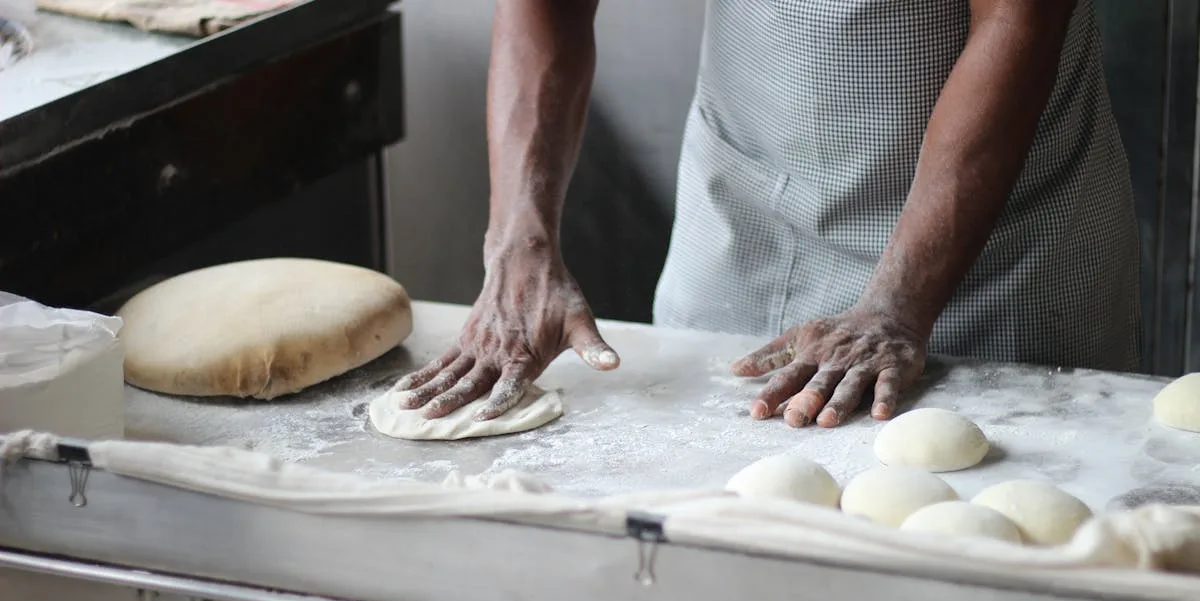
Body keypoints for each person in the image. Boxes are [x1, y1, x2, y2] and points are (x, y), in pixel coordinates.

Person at [394, 0, 1140, 429]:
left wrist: (900, 303)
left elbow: (1019, 18)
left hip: (996, 254)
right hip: (746, 211)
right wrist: (518, 242)